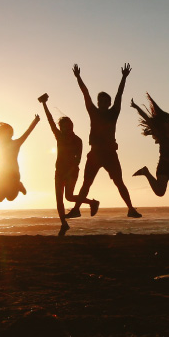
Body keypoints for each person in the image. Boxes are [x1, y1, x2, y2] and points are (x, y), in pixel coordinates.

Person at [66, 63, 141, 218]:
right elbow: (85, 94)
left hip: (110, 154)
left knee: (119, 182)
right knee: (86, 183)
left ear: (108, 103)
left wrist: (124, 77)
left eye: (105, 100)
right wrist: (78, 77)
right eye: (100, 100)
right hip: (95, 153)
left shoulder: (113, 113)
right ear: (98, 102)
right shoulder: (93, 112)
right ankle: (76, 210)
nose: (102, 102)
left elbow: (119, 95)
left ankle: (131, 209)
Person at [39, 93, 100, 236]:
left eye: (68, 126)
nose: (66, 129)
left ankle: (92, 203)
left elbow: (78, 159)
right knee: (59, 199)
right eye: (63, 127)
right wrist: (44, 104)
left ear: (72, 126)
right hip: (59, 171)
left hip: (72, 171)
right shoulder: (59, 136)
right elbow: (50, 121)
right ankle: (64, 224)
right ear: (61, 128)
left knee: (69, 196)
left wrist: (71, 170)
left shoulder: (77, 140)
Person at [0, 107, 40, 202]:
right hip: (2, 172)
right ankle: (16, 186)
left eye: (6, 133)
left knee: (10, 198)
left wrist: (35, 121)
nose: (2, 134)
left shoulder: (16, 143)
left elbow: (28, 132)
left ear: (10, 134)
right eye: (1, 133)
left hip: (13, 174)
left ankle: (18, 185)